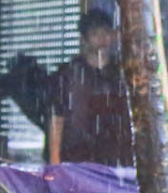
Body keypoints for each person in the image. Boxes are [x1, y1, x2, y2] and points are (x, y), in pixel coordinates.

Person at [48, 9, 133, 165]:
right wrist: (55, 161)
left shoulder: (124, 73)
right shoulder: (68, 74)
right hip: (77, 157)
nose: (102, 39)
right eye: (95, 34)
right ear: (84, 39)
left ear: (114, 35)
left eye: (106, 32)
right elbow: (57, 119)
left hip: (117, 159)